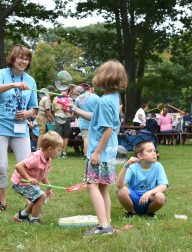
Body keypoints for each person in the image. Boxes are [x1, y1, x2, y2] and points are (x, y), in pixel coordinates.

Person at [72, 60, 127, 237]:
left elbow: (107, 129)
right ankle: (107, 223)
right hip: (108, 151)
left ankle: (103, 226)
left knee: (92, 185)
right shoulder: (113, 98)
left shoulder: (104, 101)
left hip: (99, 151)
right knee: (102, 187)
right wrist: (75, 109)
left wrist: (96, 152)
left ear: (103, 78)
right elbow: (95, 117)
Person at [0, 44, 38, 213]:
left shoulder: (30, 80)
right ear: (13, 59)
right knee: (1, 166)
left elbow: (34, 109)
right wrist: (13, 85)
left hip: (20, 128)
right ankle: (2, 203)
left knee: (27, 166)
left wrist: (27, 113)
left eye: (26, 58)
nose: (24, 61)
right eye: (21, 58)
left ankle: (29, 204)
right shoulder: (1, 74)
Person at [11, 131, 63, 224]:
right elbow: (18, 166)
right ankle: (35, 219)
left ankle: (21, 216)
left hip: (27, 183)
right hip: (20, 183)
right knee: (40, 196)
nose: (60, 152)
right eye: (58, 150)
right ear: (50, 149)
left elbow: (43, 175)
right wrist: (29, 178)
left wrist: (49, 187)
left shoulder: (48, 159)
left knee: (39, 198)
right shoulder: (35, 157)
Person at [116, 140, 169, 217]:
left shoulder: (158, 166)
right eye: (150, 151)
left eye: (154, 150)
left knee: (160, 196)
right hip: (134, 199)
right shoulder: (132, 167)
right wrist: (126, 165)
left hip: (149, 199)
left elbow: (163, 186)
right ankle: (132, 213)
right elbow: (119, 185)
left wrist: (149, 192)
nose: (154, 153)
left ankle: (149, 213)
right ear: (140, 156)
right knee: (121, 191)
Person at [75, 82, 99, 159]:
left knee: (86, 139)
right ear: (91, 88)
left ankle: (86, 155)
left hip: (83, 122)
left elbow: (75, 110)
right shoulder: (96, 97)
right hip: (95, 122)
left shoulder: (79, 98)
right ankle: (93, 154)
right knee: (94, 140)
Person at [52, 89, 73, 158]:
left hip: (60, 117)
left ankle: (61, 152)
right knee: (62, 136)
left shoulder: (56, 98)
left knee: (61, 136)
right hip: (64, 117)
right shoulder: (69, 99)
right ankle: (62, 153)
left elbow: (53, 109)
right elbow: (72, 110)